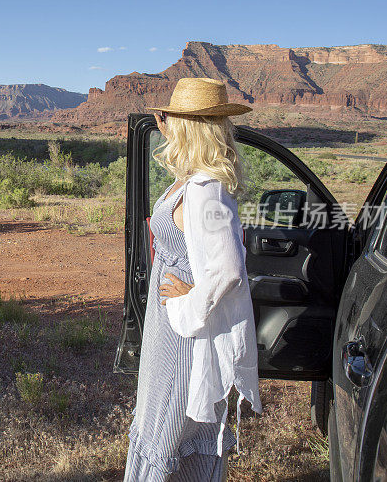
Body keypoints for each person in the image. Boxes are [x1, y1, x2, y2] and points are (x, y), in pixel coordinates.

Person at [123, 77, 262, 481]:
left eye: (171, 119)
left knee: (167, 424)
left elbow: (229, 270)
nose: (163, 126)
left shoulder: (206, 192)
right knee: (160, 418)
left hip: (184, 334)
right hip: (168, 329)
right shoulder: (194, 177)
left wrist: (185, 303)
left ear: (187, 126)